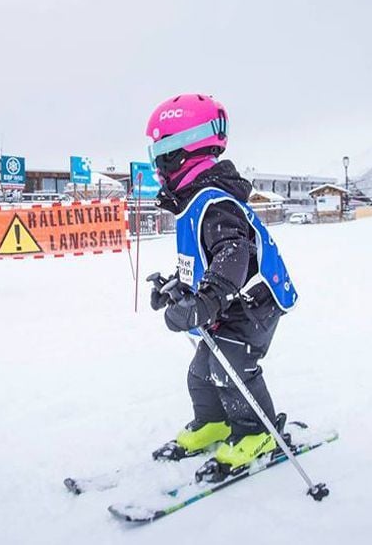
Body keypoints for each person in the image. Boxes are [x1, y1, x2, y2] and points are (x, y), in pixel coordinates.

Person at [146, 94, 298, 474]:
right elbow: (205, 256)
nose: (156, 167)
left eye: (160, 154)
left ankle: (257, 432)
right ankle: (214, 422)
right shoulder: (194, 201)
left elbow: (233, 254)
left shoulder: (216, 201)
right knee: (201, 372)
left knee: (231, 368)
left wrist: (206, 301)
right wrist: (175, 287)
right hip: (229, 302)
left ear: (182, 153)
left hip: (253, 304)